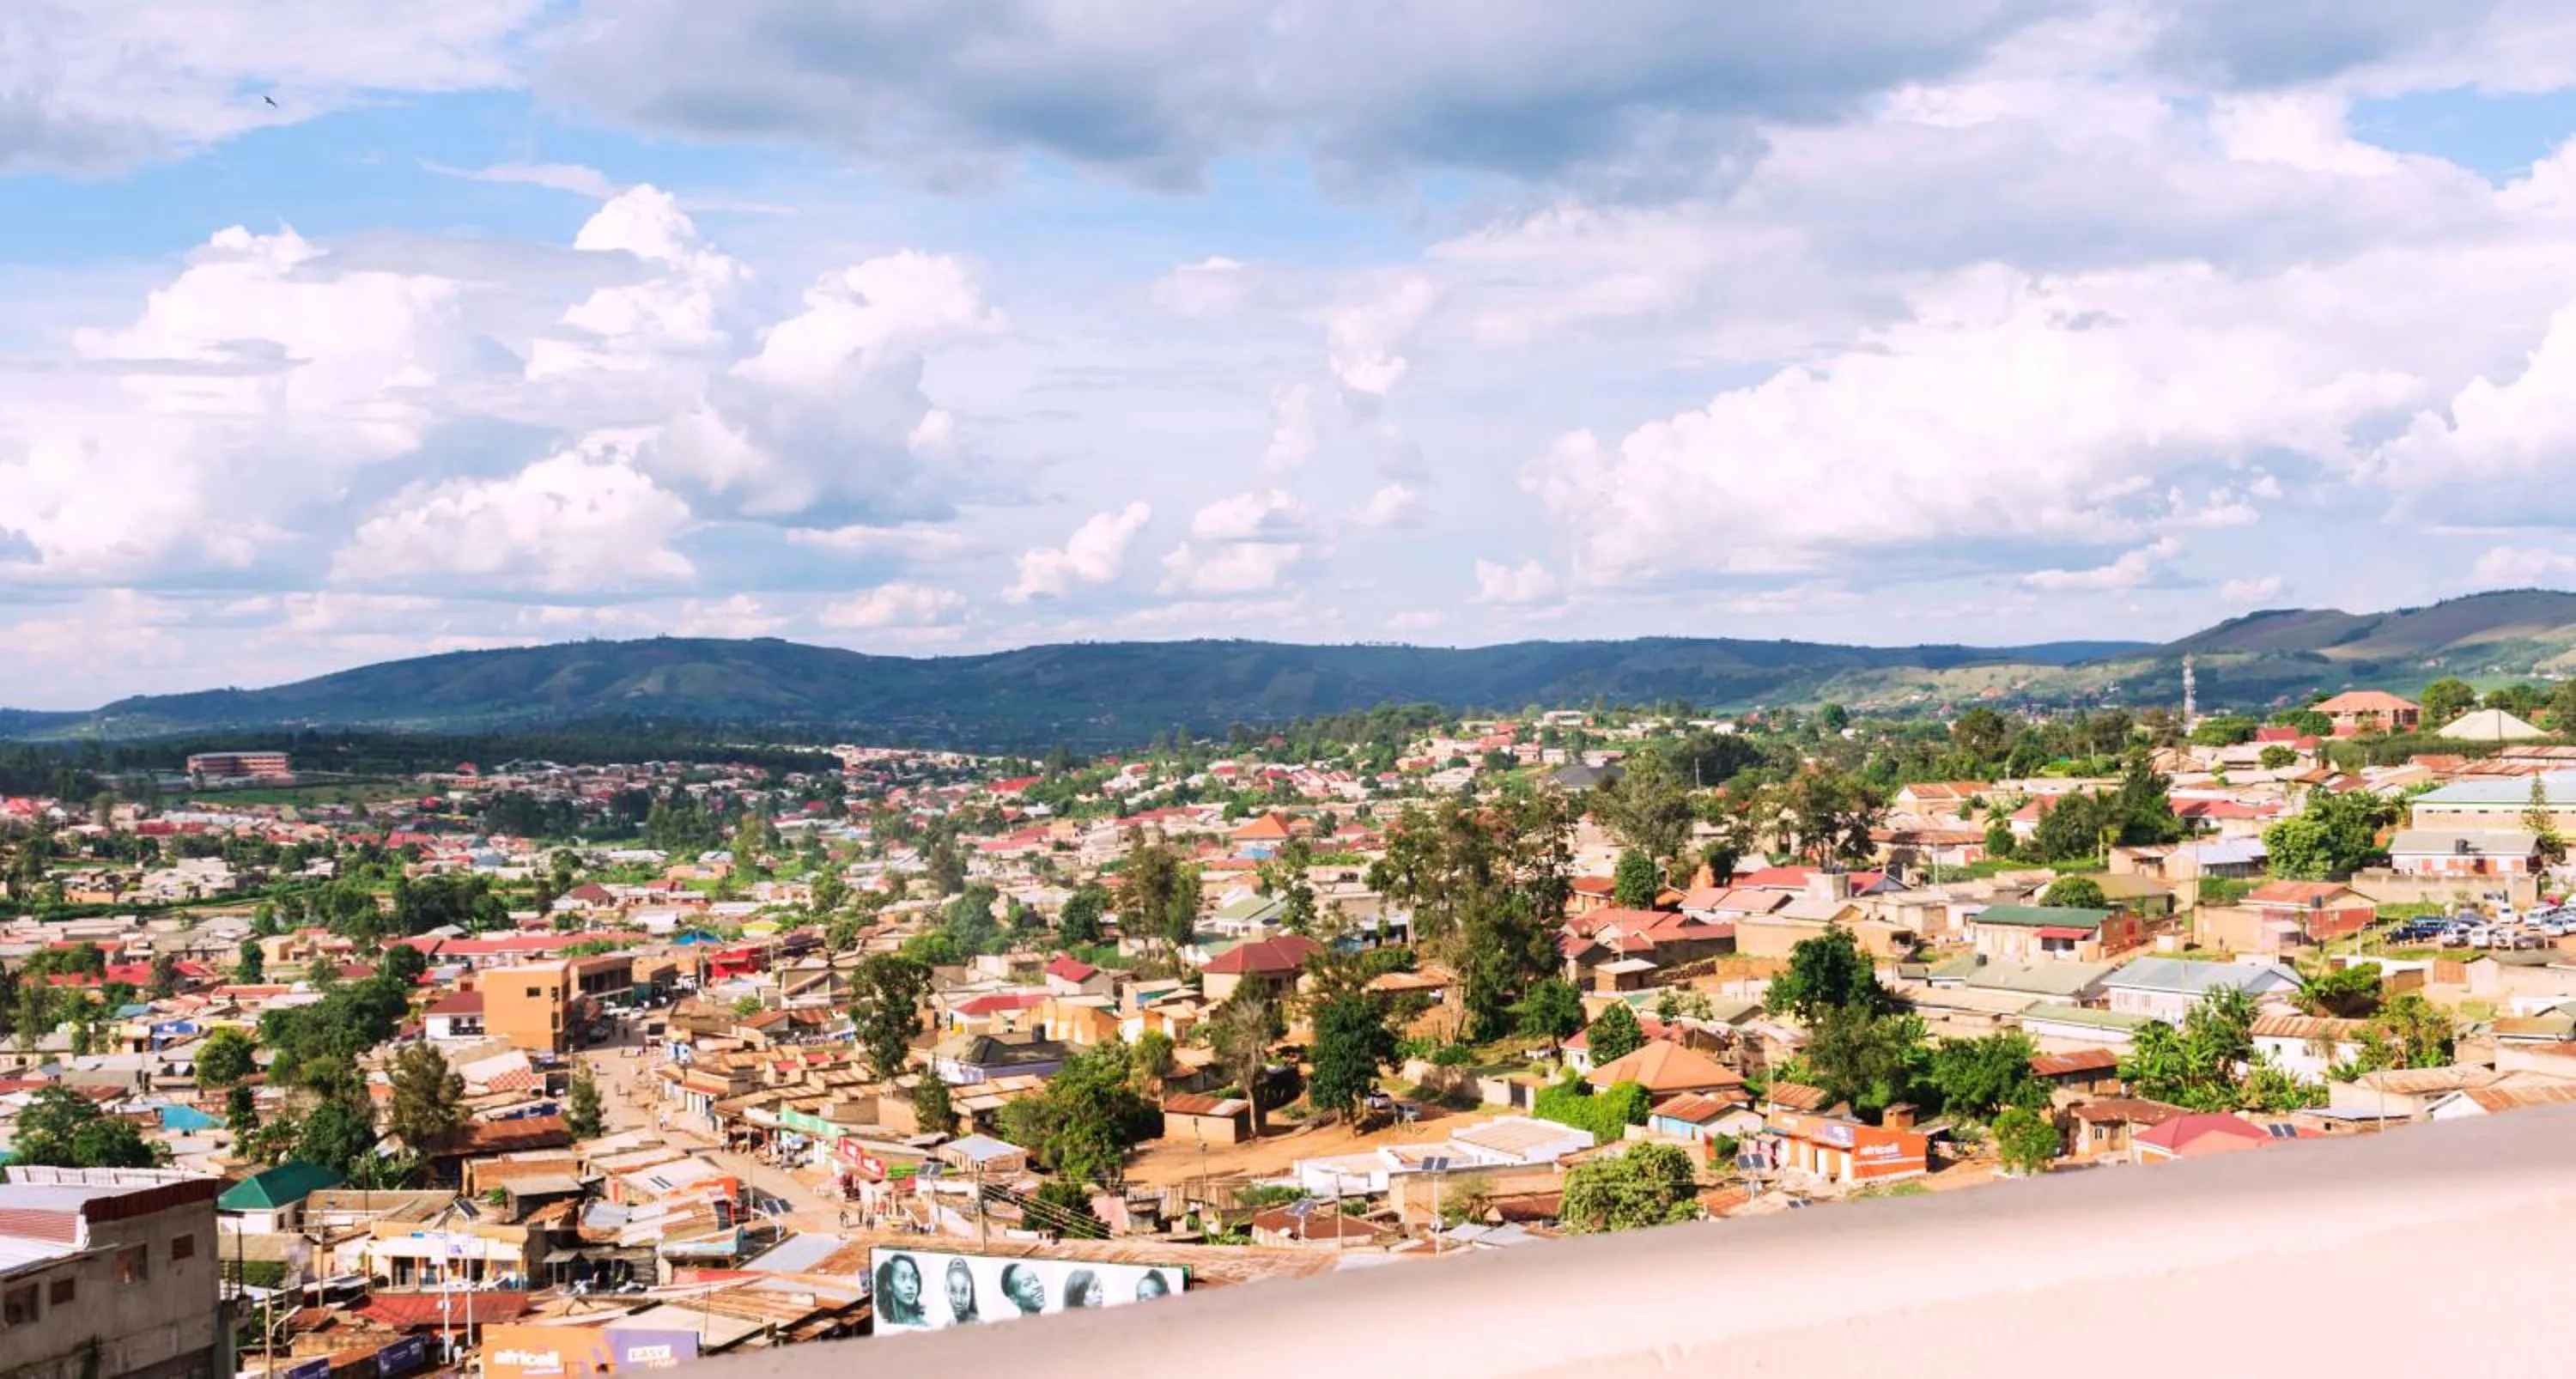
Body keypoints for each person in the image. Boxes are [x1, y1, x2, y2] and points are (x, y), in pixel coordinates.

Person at [872, 1253, 925, 1327]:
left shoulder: (922, 1326)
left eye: (913, 1278)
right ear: (888, 1285)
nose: (910, 1285)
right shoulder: (882, 1323)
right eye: (902, 1278)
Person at [944, 1257, 981, 1325]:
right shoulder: (948, 1326)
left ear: (971, 1291)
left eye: (964, 1292)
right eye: (953, 1291)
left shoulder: (978, 1327)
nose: (958, 1300)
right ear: (946, 1290)